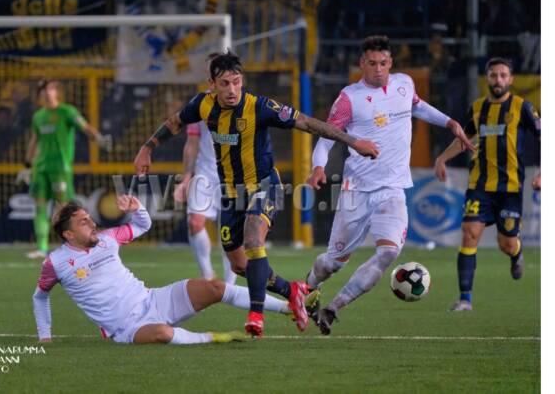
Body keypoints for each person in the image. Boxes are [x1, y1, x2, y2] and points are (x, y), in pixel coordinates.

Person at [133, 50, 378, 337]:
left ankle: (256, 314)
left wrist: (353, 141)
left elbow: (308, 123)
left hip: (264, 185)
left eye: (236, 82)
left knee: (253, 238)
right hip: (230, 193)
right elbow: (175, 122)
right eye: (224, 83)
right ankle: (293, 290)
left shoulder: (260, 107)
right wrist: (147, 147)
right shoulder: (202, 105)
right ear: (212, 85)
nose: (232, 90)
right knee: (239, 265)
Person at [305, 35, 474, 335]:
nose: (378, 69)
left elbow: (418, 107)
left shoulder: (404, 84)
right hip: (355, 192)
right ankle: (307, 287)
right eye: (372, 63)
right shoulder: (349, 98)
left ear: (391, 63)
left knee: (388, 253)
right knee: (332, 263)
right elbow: (326, 137)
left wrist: (450, 123)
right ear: (362, 64)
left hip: (393, 190)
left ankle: (333, 308)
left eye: (383, 63)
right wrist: (318, 166)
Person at [32, 196, 292, 345]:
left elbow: (142, 225)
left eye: (89, 217)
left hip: (153, 299)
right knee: (162, 333)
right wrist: (45, 336)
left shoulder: (108, 238)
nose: (92, 222)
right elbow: (40, 296)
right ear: (68, 234)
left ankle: (289, 307)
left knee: (213, 287)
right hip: (126, 327)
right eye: (83, 222)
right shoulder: (54, 263)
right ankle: (214, 338)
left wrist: (137, 209)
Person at [434, 57, 541, 312]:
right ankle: (465, 299)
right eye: (493, 75)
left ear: (511, 79)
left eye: (503, 75)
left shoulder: (523, 107)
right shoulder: (477, 108)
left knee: (507, 243)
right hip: (479, 186)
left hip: (510, 189)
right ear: (487, 78)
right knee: (470, 234)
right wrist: (442, 158)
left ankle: (516, 254)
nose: (498, 80)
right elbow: (465, 139)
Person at [16, 79, 112, 259]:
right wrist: (28, 165)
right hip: (41, 168)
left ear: (56, 91)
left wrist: (98, 138)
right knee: (40, 207)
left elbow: (85, 127)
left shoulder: (67, 111)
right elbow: (35, 141)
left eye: (50, 89)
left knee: (65, 208)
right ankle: (42, 247)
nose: (47, 92)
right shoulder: (39, 116)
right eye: (43, 90)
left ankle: (76, 245)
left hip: (60, 168)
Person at [174, 53, 237, 285]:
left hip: (235, 176)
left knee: (229, 234)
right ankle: (208, 277)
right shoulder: (198, 104)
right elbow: (191, 143)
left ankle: (230, 286)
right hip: (206, 173)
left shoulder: (241, 102)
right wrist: (186, 177)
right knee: (195, 222)